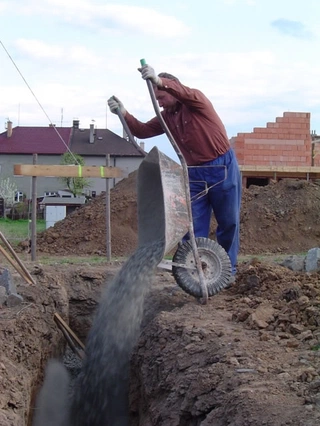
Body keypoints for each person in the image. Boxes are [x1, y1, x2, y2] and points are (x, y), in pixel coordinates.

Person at [108, 64, 242, 280]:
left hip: (221, 168)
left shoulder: (196, 102)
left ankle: (228, 272)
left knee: (228, 222)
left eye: (161, 96)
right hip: (194, 173)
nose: (159, 102)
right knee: (191, 226)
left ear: (172, 89)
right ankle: (194, 273)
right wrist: (122, 112)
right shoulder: (167, 117)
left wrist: (159, 81)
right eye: (156, 98)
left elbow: (185, 92)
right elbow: (141, 130)